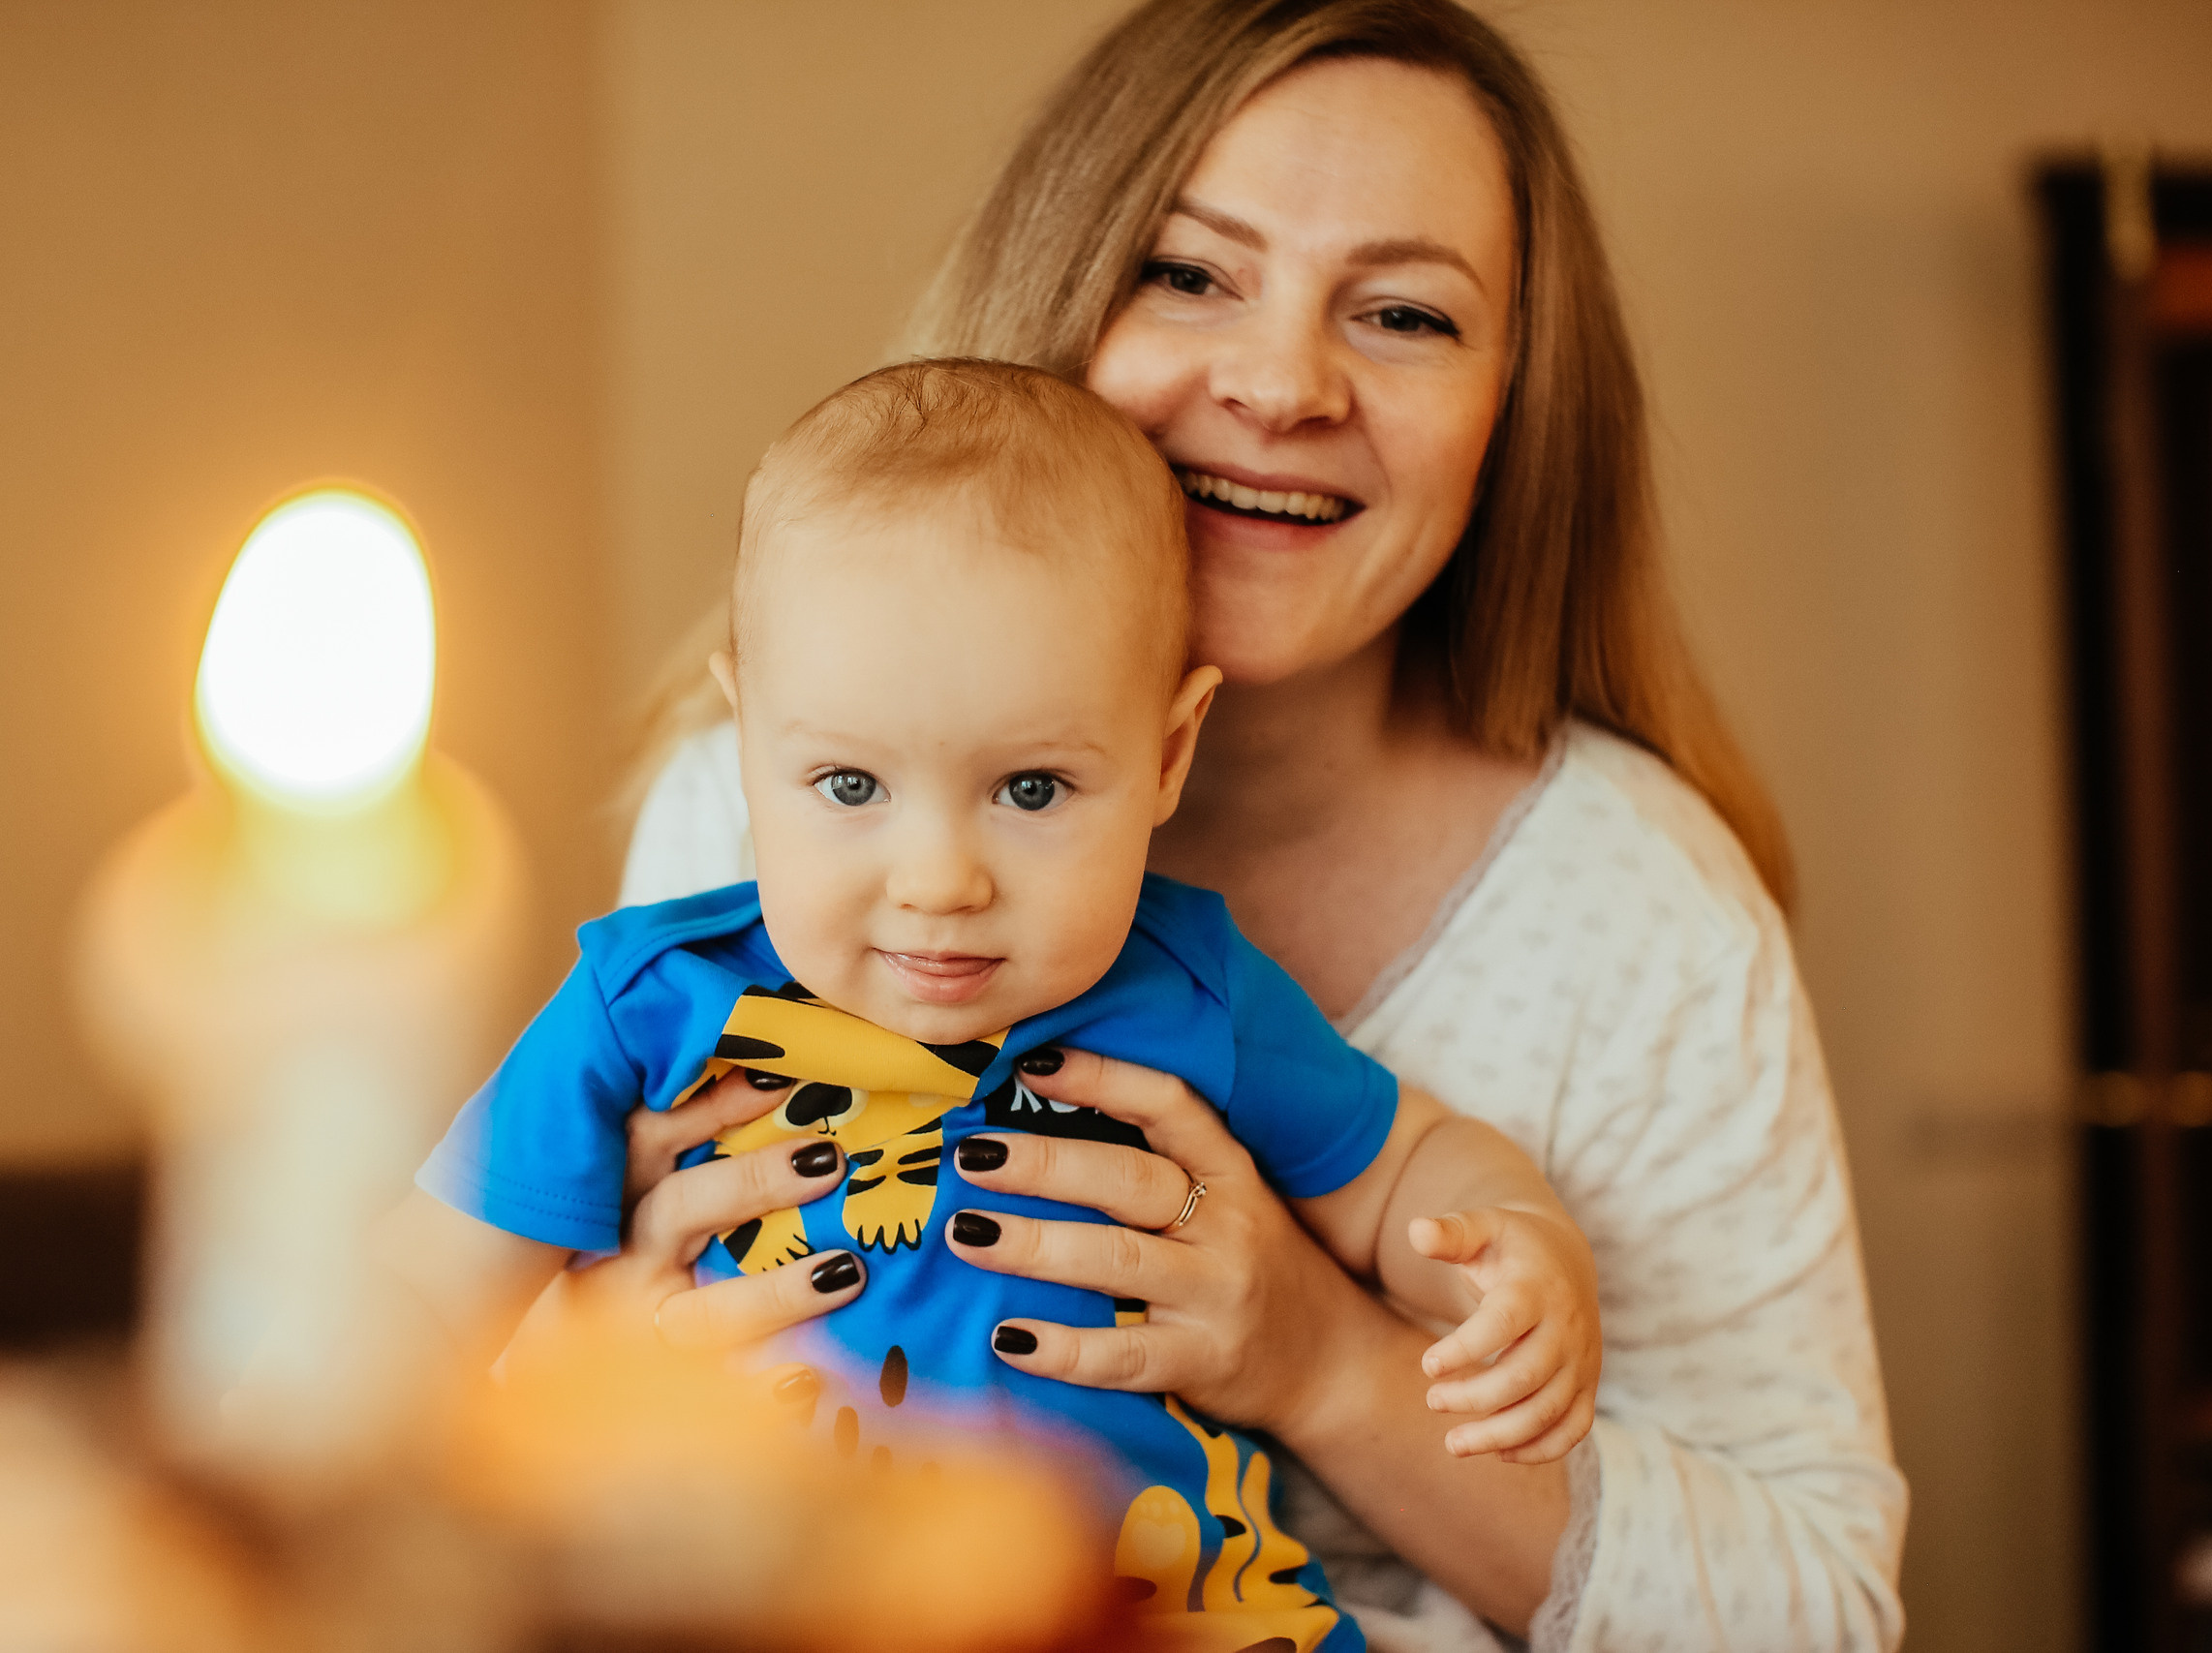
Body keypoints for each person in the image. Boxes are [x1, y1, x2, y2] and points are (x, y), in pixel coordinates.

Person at [593, 2, 1910, 1649]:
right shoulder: (739, 809)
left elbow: (1819, 1621)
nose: (1284, 384)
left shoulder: (1643, 919)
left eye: (1407, 313)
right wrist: (606, 1341)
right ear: (1057, 302)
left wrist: (1326, 1362)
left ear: (1516, 407)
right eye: (1192, 273)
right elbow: (515, 1385)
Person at [399, 359, 1606, 1653]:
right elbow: (416, 1304)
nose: (939, 884)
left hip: (1155, 1614)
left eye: (1029, 791)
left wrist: (1518, 1242)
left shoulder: (1192, 989)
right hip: (776, 1608)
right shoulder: (646, 1003)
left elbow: (1408, 1162)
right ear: (747, 745)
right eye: (850, 786)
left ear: (1166, 753)